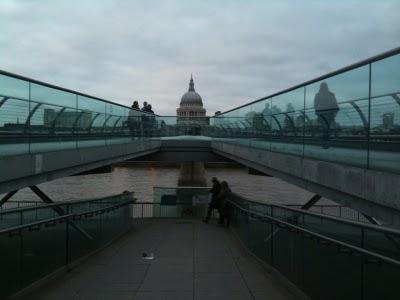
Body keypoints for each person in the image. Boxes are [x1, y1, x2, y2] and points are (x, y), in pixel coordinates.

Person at [314, 82, 339, 148]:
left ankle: (325, 142)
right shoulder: (331, 94)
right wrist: (335, 112)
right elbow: (335, 104)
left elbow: (315, 105)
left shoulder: (318, 95)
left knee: (325, 128)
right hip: (329, 114)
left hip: (322, 114)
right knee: (326, 128)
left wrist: (318, 112)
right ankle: (326, 142)